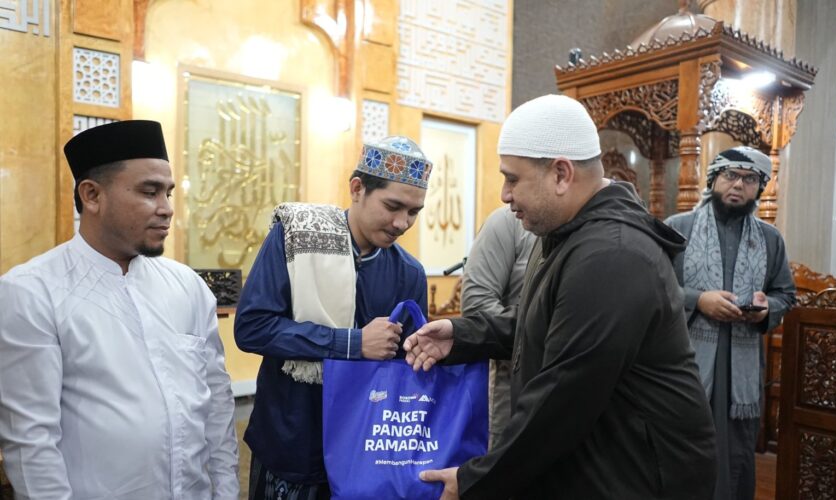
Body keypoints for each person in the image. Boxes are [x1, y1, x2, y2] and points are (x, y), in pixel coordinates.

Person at [403, 95, 717, 500]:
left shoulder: (612, 255)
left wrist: (475, 479)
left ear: (561, 174)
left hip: (637, 476)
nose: (504, 195)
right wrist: (463, 336)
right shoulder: (571, 235)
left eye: (512, 179)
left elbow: (564, 396)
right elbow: (548, 322)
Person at [0, 120, 239, 499]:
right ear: (92, 195)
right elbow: (31, 440)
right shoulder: (33, 291)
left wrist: (225, 492)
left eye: (168, 193)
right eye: (149, 192)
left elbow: (217, 404)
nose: (167, 209)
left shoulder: (186, 285)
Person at [234, 136, 433, 500]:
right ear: (357, 189)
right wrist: (352, 344)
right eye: (393, 206)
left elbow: (408, 371)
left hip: (366, 448)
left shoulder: (409, 274)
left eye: (414, 212)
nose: (402, 223)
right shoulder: (295, 240)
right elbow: (252, 328)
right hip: (292, 441)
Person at [664, 146, 796, 500]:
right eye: (730, 175)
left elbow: (785, 294)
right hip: (686, 363)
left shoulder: (769, 239)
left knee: (736, 456)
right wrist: (698, 300)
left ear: (759, 187)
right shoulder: (677, 229)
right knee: (684, 449)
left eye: (749, 179)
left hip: (742, 373)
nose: (738, 185)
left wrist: (766, 308)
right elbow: (653, 289)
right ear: (713, 179)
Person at [461, 206, 535, 449]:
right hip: (513, 389)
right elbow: (477, 308)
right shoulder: (507, 223)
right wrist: (545, 338)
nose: (507, 194)